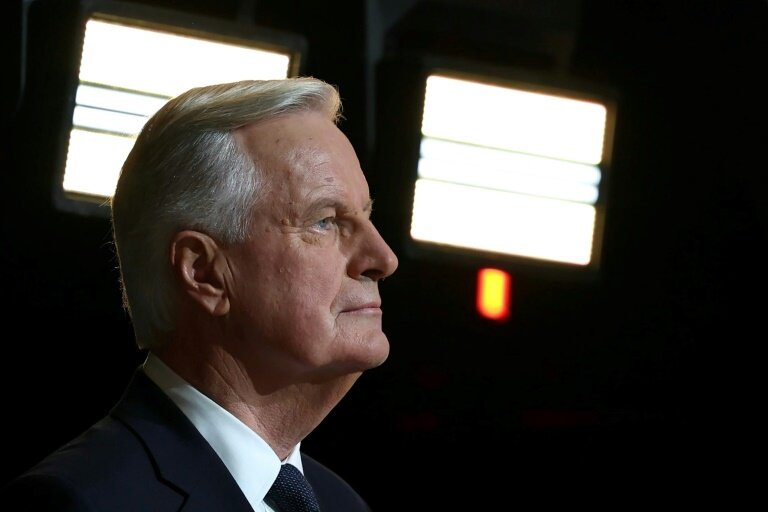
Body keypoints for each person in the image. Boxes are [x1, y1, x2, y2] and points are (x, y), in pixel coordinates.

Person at [0, 77, 399, 510]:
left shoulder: (342, 505)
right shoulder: (78, 502)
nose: (383, 257)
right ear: (204, 272)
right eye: (324, 221)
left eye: (365, 217)